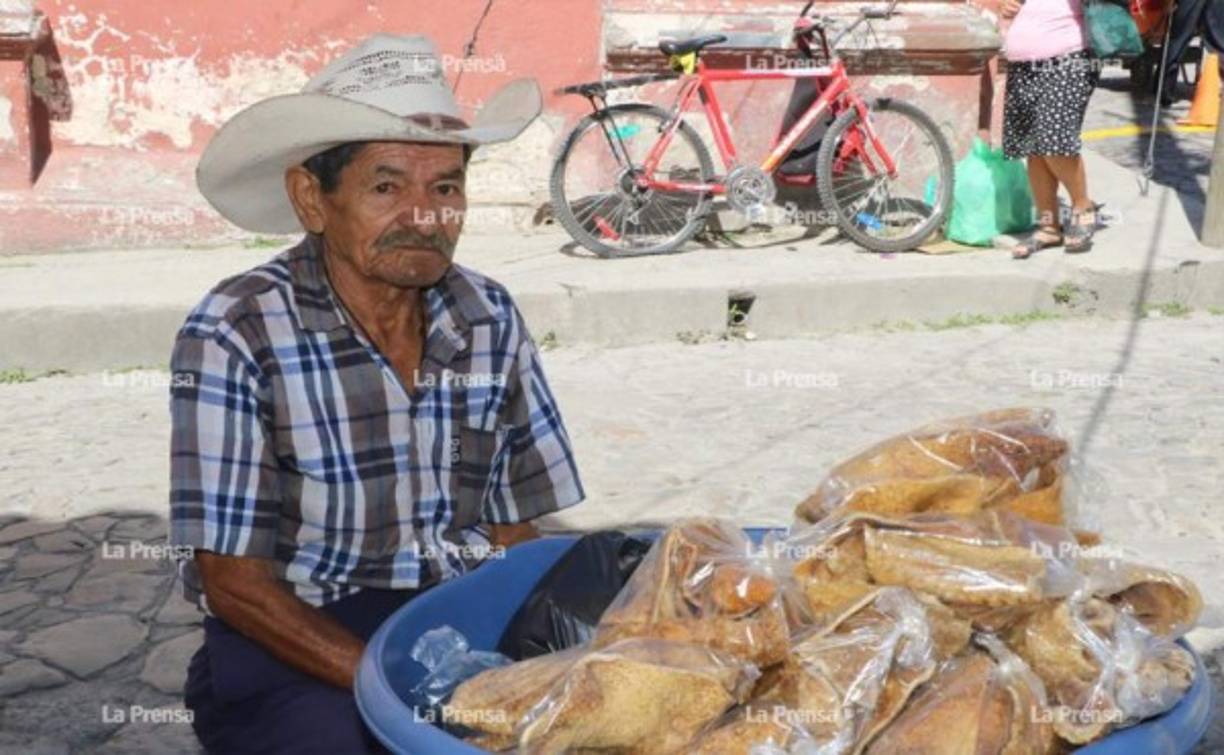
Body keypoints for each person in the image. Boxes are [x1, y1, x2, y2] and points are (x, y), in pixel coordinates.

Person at [168, 34, 585, 753]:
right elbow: (234, 581)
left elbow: (517, 528)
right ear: (312, 198)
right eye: (387, 186)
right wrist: (394, 690)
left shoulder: (487, 313)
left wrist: (554, 650)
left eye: (445, 187)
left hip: (456, 617)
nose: (425, 217)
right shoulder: (238, 330)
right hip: (297, 631)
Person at [1001, 0, 1101, 258]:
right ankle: (1048, 226)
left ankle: (1083, 207)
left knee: (1054, 140)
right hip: (1023, 63)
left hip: (1068, 58)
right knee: (1034, 148)